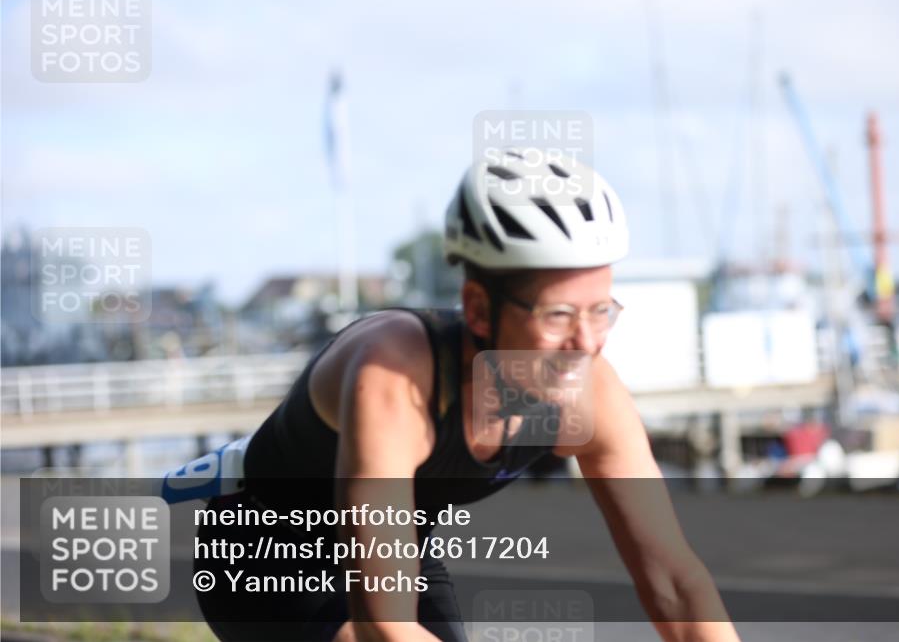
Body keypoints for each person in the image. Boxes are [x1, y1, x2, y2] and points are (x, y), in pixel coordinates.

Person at [194, 149, 741, 642]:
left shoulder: (589, 390)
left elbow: (674, 581)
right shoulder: (393, 375)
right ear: (479, 309)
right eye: (558, 315)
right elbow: (385, 627)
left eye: (601, 311)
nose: (586, 344)